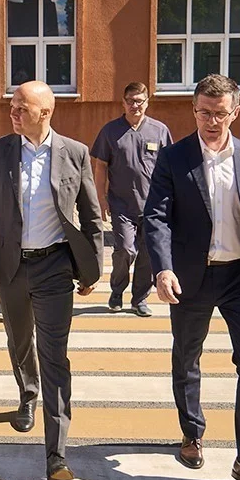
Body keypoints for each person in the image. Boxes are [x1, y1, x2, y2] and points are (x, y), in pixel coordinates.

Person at [142, 74, 240, 480]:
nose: (211, 121)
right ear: (194, 110)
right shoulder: (175, 157)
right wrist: (163, 270)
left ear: (235, 112)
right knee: (187, 356)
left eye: (220, 113)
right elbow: (156, 217)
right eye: (204, 112)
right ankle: (192, 432)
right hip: (191, 276)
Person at [0, 81, 102, 480]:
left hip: (55, 265)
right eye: (13, 106)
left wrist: (91, 270)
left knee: (54, 355)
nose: (14, 113)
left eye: (22, 108)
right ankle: (27, 393)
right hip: (10, 267)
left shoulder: (74, 153)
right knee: (20, 340)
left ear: (45, 112)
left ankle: (56, 454)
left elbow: (91, 215)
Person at [92, 82, 173, 317]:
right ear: (123, 102)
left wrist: (171, 200)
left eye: (139, 101)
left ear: (147, 102)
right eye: (130, 101)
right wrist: (101, 198)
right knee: (126, 250)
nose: (134, 105)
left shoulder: (159, 130)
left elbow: (169, 168)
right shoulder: (111, 131)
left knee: (147, 254)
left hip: (153, 206)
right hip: (121, 205)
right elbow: (100, 166)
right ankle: (117, 291)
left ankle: (139, 299)